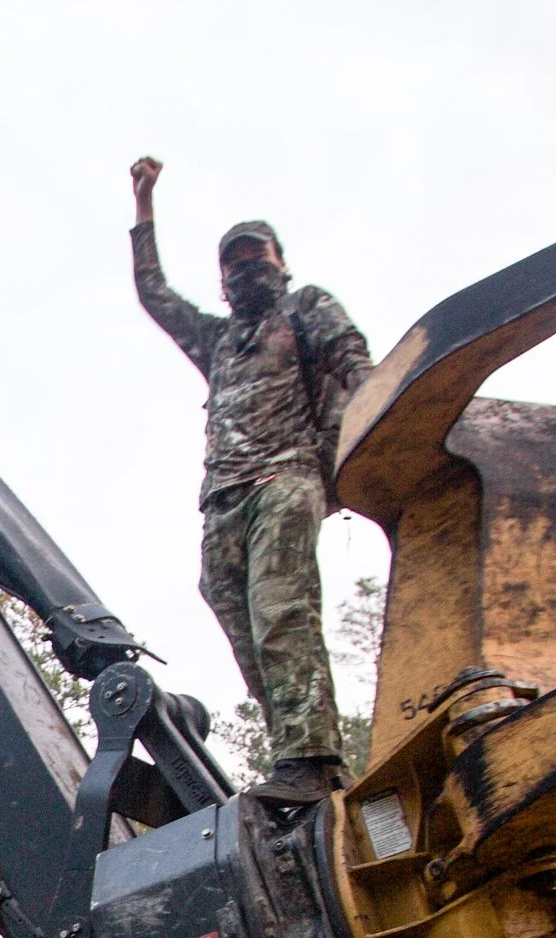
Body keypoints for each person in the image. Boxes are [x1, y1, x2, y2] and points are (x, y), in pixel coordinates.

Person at [129, 156, 372, 803]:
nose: (245, 269)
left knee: (279, 609)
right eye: (233, 263)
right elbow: (155, 294)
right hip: (224, 497)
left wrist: (369, 440)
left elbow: (356, 365)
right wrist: (144, 207)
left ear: (280, 262)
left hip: (287, 476)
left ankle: (313, 760)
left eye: (254, 257)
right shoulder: (217, 341)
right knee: (234, 608)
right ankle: (298, 749)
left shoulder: (304, 309)